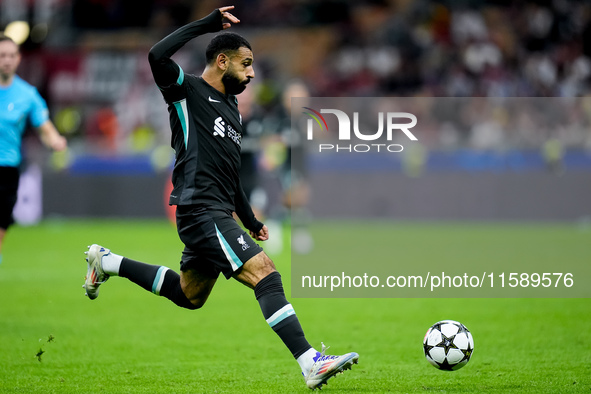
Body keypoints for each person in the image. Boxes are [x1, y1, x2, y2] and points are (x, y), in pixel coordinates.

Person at [82, 6, 358, 390]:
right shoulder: (186, 90)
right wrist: (205, 26)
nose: (251, 73)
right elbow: (156, 56)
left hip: (216, 207)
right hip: (200, 209)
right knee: (265, 271)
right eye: (246, 64)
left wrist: (251, 218)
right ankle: (310, 361)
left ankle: (107, 261)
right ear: (222, 60)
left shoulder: (232, 109)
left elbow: (231, 177)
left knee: (189, 294)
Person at [0, 34, 67, 263]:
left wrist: (55, 139)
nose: (7, 60)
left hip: (7, 170)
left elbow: (44, 126)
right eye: (2, 56)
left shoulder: (27, 94)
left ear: (18, 59)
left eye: (11, 55)